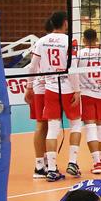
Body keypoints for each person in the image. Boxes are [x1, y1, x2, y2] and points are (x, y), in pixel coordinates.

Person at [24, 11, 80, 182]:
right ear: (65, 22)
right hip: (66, 87)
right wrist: (77, 90)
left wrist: (29, 86)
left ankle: (51, 169)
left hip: (49, 88)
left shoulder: (41, 41)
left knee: (50, 127)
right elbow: (73, 67)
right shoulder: (70, 40)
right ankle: (71, 162)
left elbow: (32, 66)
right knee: (75, 124)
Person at [74, 28, 101, 175]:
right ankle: (100, 156)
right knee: (100, 128)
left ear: (84, 39)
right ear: (97, 38)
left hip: (85, 94)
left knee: (90, 128)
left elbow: (72, 75)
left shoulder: (78, 54)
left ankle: (96, 162)